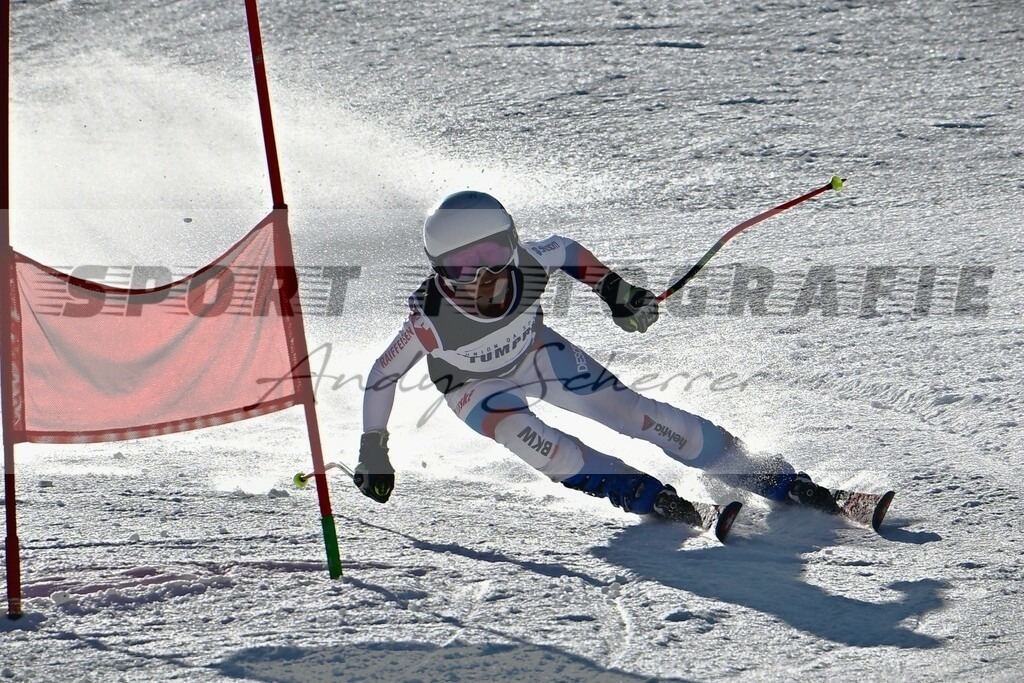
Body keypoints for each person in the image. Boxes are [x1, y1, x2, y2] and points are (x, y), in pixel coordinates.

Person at [353, 191, 839, 532]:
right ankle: (642, 493)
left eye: (493, 252)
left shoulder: (527, 262)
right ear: (439, 269)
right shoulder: (430, 320)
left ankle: (757, 471)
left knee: (634, 413)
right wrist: (373, 448)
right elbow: (383, 375)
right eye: (462, 264)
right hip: (472, 387)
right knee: (547, 450)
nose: (483, 273)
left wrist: (615, 291)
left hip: (534, 353)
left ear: (511, 242)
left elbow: (566, 249)